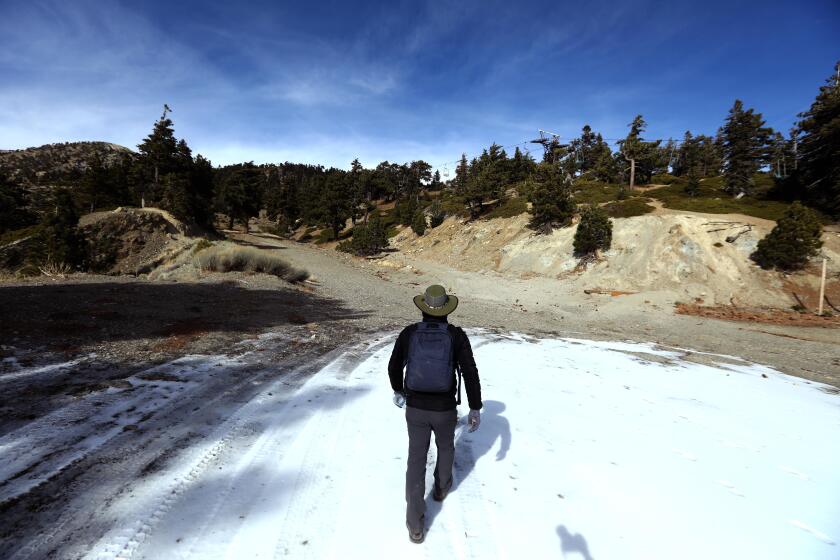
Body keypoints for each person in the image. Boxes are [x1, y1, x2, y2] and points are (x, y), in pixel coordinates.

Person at [388, 284, 482, 544]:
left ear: (423, 308)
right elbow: (470, 372)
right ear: (447, 311)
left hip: (415, 408)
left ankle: (414, 525)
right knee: (445, 447)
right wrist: (475, 406)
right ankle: (441, 489)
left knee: (415, 460)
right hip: (445, 408)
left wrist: (398, 390)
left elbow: (394, 365)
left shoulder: (409, 333)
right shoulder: (456, 335)